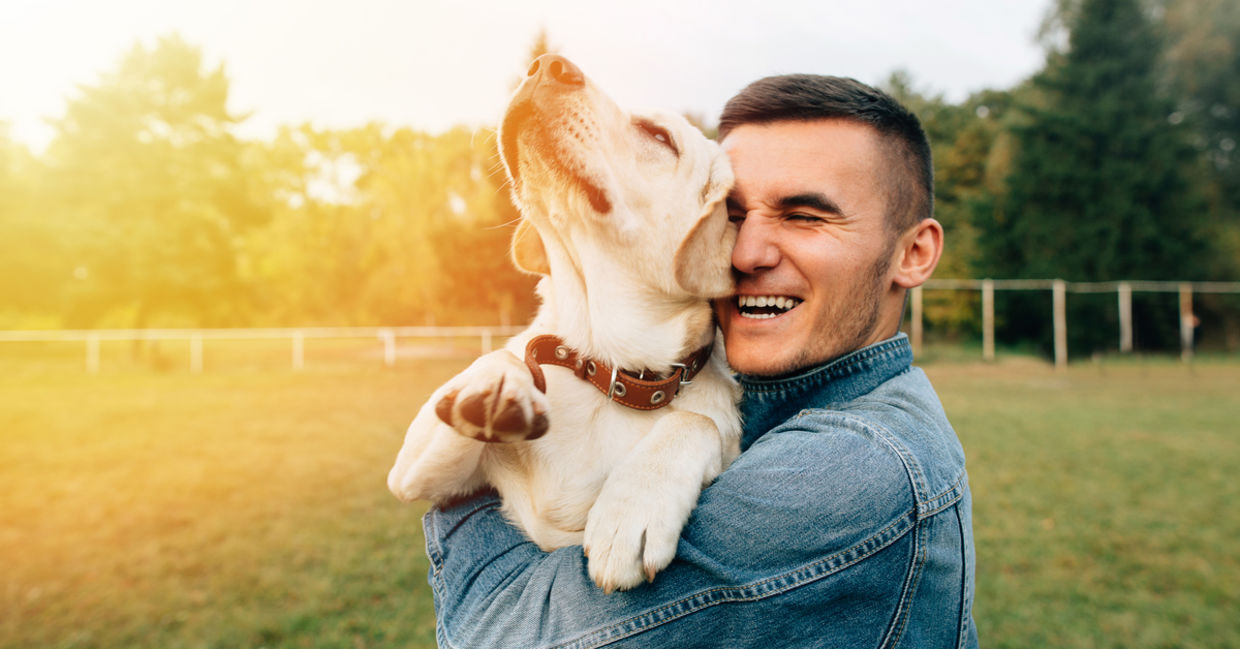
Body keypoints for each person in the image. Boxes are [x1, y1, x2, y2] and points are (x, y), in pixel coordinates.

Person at [418, 74, 977, 649]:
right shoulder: (746, 401)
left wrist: (469, 471)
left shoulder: (855, 468)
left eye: (805, 216)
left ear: (914, 253)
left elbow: (503, 632)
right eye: (731, 215)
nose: (744, 253)